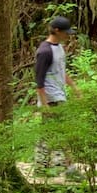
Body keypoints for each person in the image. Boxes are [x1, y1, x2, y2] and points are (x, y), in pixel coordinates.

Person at [34, 16, 77, 170]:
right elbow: (39, 81)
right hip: (51, 98)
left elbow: (61, 72)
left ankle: (44, 165)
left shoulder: (59, 48)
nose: (68, 35)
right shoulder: (44, 51)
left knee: (51, 131)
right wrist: (44, 104)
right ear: (57, 31)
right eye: (66, 32)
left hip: (60, 94)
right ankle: (61, 166)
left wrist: (75, 88)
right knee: (58, 130)